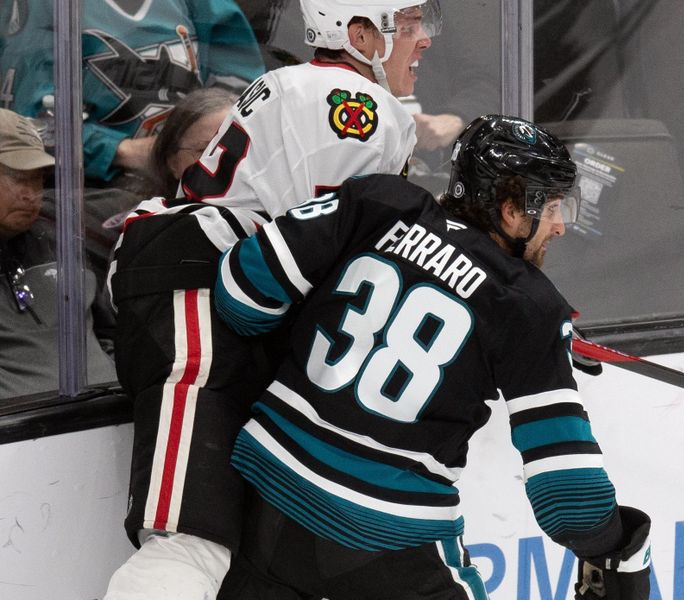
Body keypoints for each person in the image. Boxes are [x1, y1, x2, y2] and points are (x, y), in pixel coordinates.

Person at [213, 115, 652, 599]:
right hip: (385, 539)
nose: (561, 225)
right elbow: (568, 501)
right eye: (551, 207)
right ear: (510, 209)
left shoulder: (378, 201)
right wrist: (616, 543)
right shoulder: (528, 304)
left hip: (261, 497)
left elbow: (241, 295)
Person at [103, 2, 442, 598]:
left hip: (224, 286)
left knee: (247, 545)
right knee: (190, 535)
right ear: (360, 35)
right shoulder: (351, 103)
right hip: (194, 278)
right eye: (410, 25)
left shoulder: (308, 87)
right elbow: (329, 245)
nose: (425, 41)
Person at [0, 0, 263, 186]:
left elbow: (245, 94)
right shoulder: (38, 7)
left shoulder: (200, 5)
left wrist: (212, 145)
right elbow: (27, 123)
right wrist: (121, 151)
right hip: (92, 191)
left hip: (199, 177)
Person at [0, 108, 116, 399]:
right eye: (16, 177)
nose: (31, 194)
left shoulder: (62, 238)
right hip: (22, 435)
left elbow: (110, 332)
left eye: (37, 178)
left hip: (107, 417)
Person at [148, 87, 238, 197]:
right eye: (205, 150)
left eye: (238, 149)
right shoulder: (145, 213)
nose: (226, 164)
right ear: (174, 163)